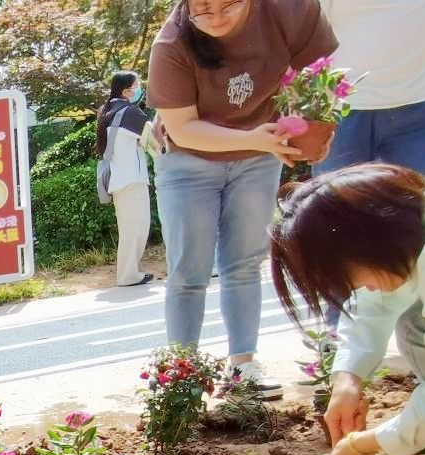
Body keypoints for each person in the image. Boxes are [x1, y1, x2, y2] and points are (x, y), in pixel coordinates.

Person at [147, 0, 338, 400]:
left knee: (244, 262)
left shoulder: (289, 11)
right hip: (189, 160)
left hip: (258, 157)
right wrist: (254, 139)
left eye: (227, 6)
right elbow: (183, 129)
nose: (215, 18)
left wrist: (319, 128)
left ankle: (244, 367)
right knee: (188, 269)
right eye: (202, 9)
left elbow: (322, 78)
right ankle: (183, 376)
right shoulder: (172, 43)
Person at [268, 164, 425, 455]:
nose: (362, 287)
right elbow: (375, 305)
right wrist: (347, 381)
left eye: (350, 275)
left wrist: (363, 443)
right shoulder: (411, 233)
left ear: (369, 241)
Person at [308, 0, 425, 334]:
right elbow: (305, 30)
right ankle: (337, 336)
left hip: (420, 105)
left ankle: (420, 330)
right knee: (334, 221)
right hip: (344, 108)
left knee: (419, 219)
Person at [96, 71, 158, 288]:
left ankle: (130, 272)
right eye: (137, 85)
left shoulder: (107, 112)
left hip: (118, 180)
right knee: (137, 229)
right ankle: (129, 275)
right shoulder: (130, 113)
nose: (139, 88)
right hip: (132, 180)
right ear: (126, 91)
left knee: (129, 228)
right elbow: (155, 143)